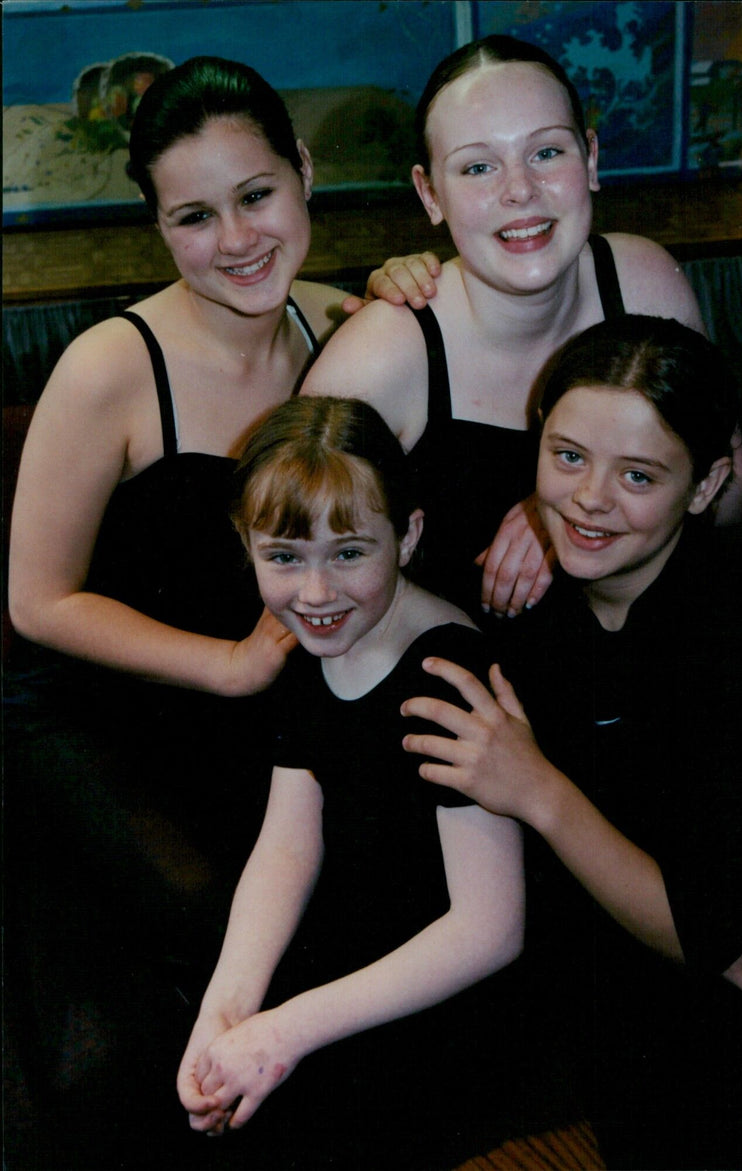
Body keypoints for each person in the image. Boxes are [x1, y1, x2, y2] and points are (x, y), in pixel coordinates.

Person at [3, 56, 410, 1170]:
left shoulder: (351, 332)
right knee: (211, 909)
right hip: (97, 715)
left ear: (305, 175)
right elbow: (34, 602)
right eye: (192, 214)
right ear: (156, 225)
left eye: (255, 194)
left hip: (268, 717)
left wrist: (422, 280)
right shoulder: (110, 366)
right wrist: (228, 665)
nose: (234, 237)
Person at [400, 316, 742, 1169]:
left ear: (705, 485)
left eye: (640, 475)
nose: (589, 497)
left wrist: (535, 787)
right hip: (605, 967)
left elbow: (703, 932)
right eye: (568, 456)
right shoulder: (532, 590)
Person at [176, 396, 532, 1170]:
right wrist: (227, 1008)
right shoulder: (310, 644)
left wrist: (283, 1030)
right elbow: (286, 846)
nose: (314, 592)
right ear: (247, 544)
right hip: (349, 961)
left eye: (348, 553)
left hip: (445, 1003)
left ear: (408, 535)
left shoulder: (447, 673)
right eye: (284, 557)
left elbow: (491, 927)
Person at [302, 35, 742, 621]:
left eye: (546, 153)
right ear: (429, 194)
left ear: (591, 158)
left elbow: (730, 499)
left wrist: (567, 510)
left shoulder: (643, 281)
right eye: (478, 166)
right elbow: (304, 581)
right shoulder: (379, 356)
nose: (519, 190)